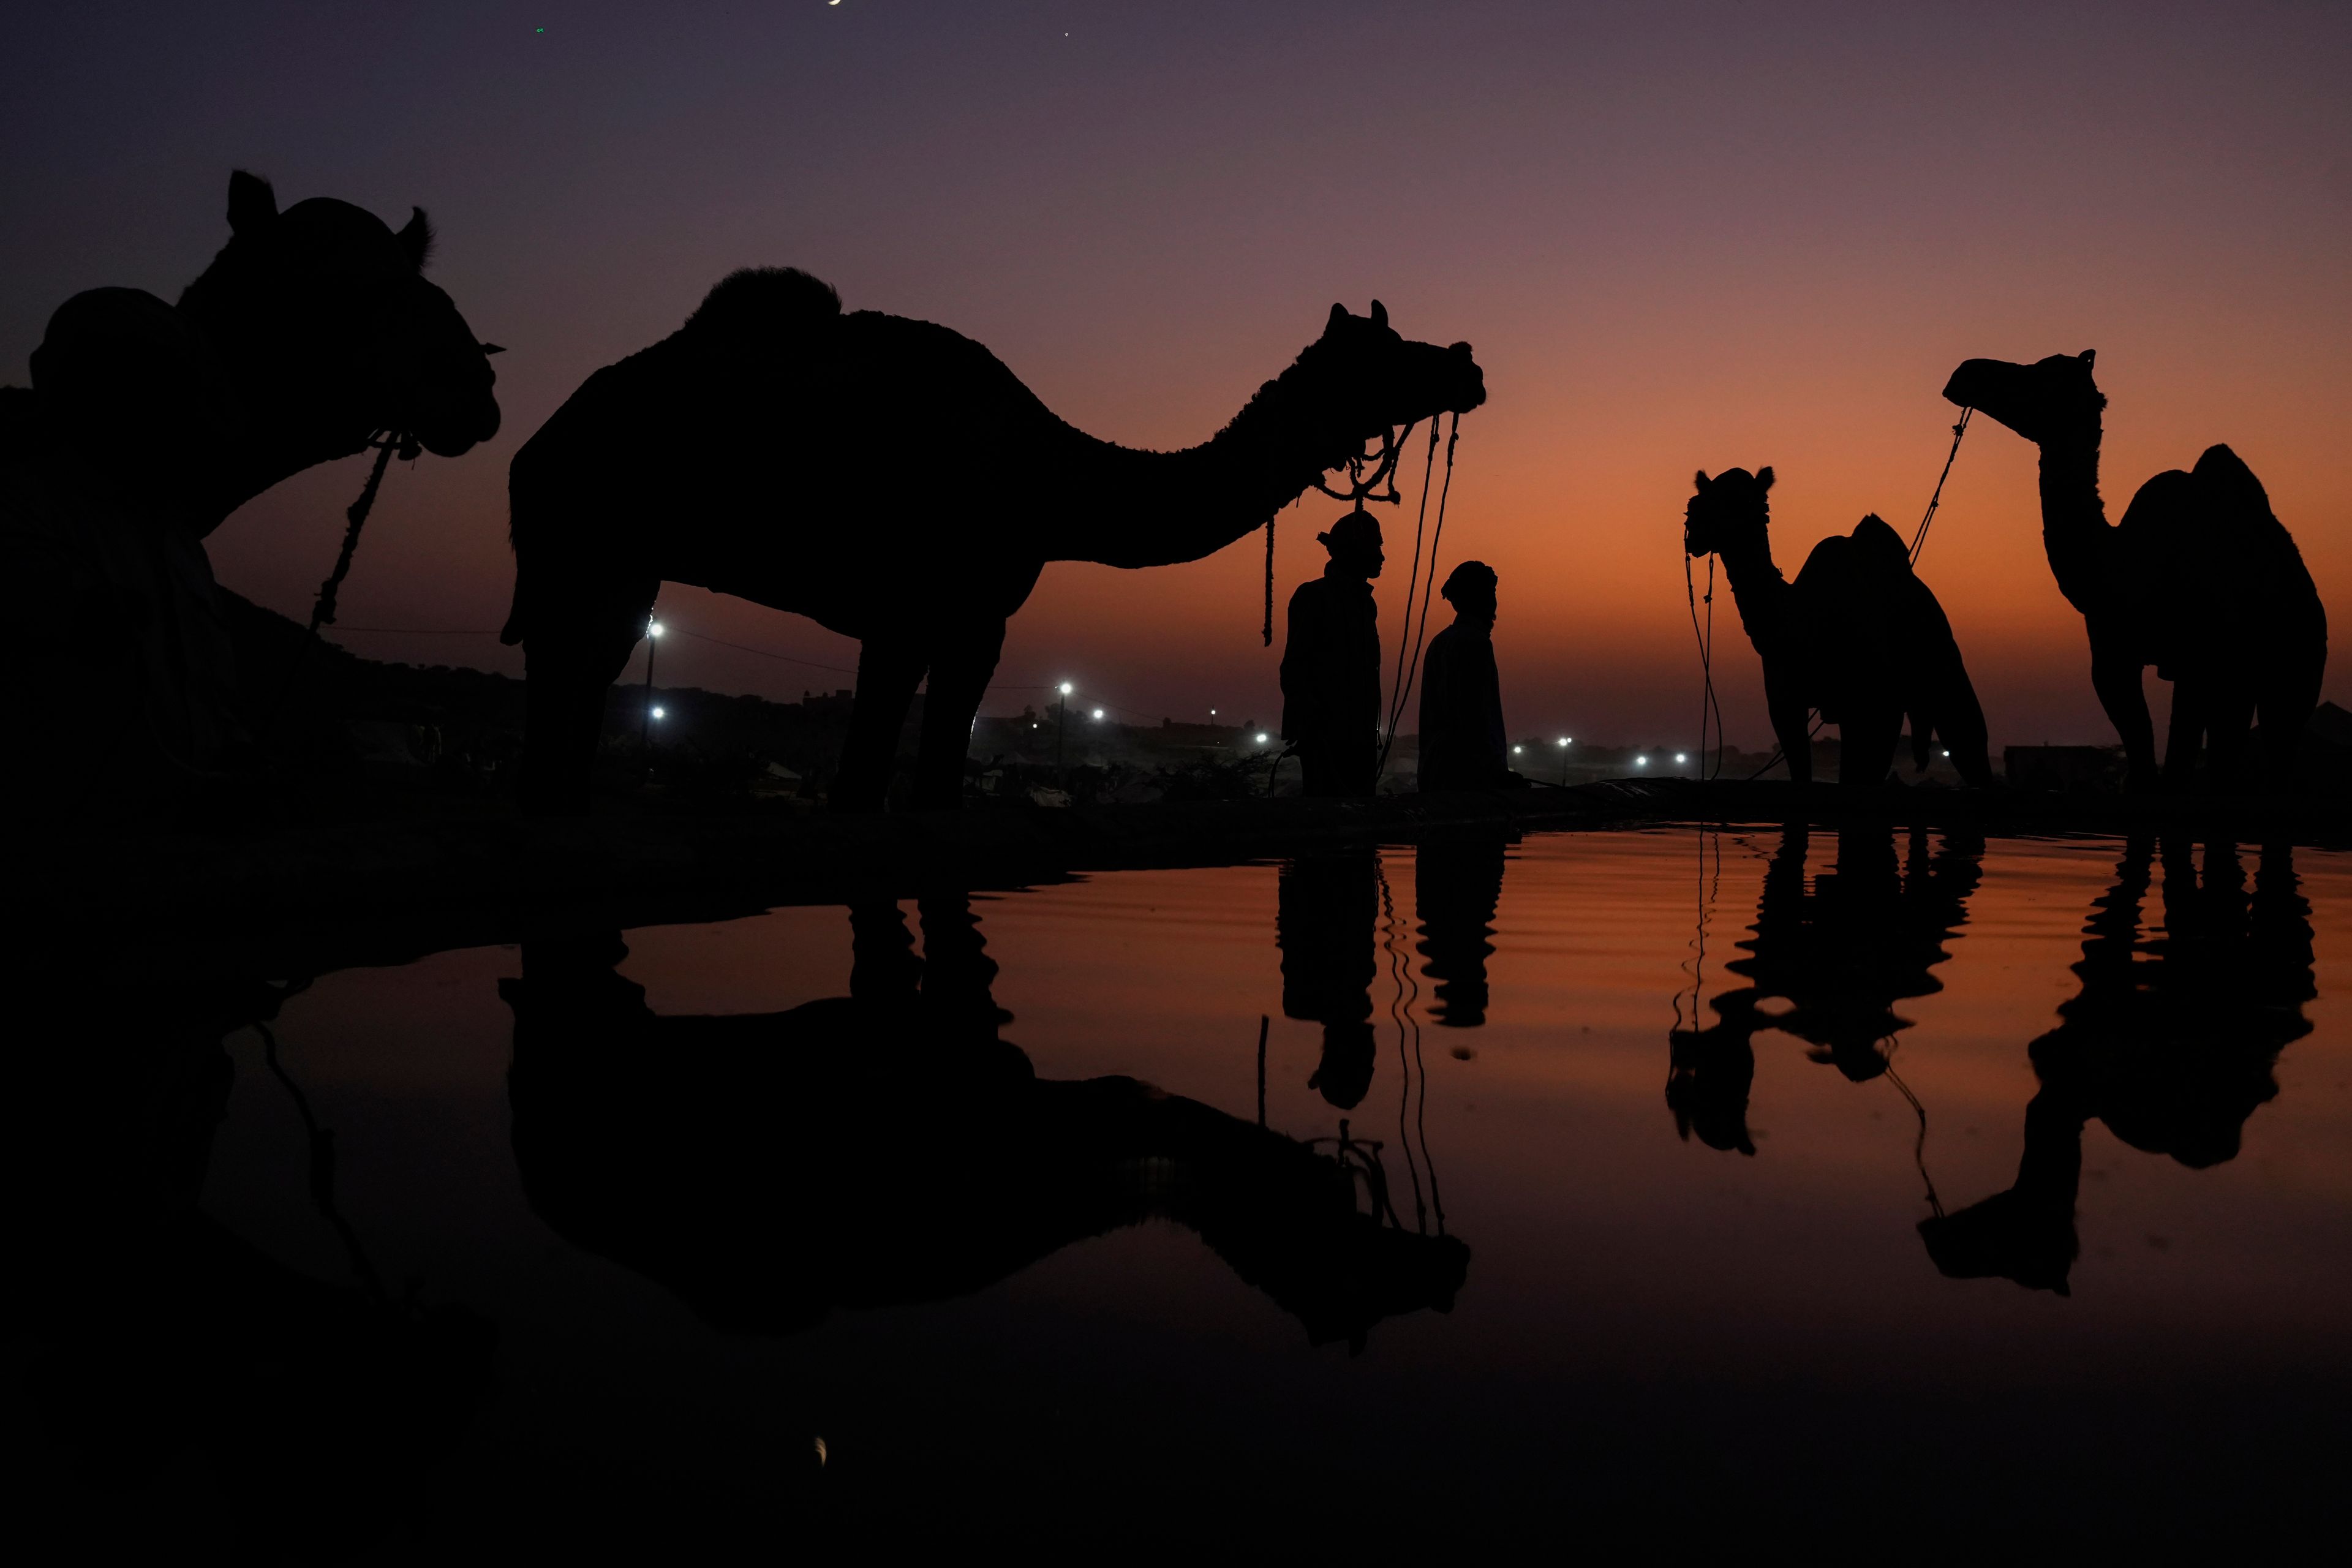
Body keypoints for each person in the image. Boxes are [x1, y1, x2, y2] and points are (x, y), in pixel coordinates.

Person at [1280, 511, 1384, 797]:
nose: (1381, 557)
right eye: (1376, 547)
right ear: (1355, 550)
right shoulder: (1314, 597)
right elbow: (1295, 672)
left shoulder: (1364, 605)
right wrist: (1313, 732)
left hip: (1359, 737)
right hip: (1327, 740)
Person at [1415, 560, 1511, 791]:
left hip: (1438, 774)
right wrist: (1496, 773)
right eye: (1489, 593)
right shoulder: (1473, 644)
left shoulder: (1442, 641)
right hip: (1465, 780)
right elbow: (1472, 720)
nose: (1493, 600)